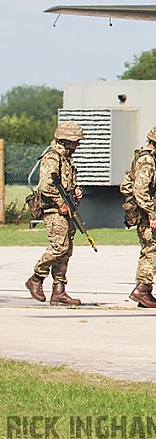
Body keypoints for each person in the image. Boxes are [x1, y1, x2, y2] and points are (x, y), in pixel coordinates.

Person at [26, 121, 86, 306]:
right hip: (54, 210)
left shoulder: (66, 158)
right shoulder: (52, 158)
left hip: (66, 210)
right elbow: (46, 186)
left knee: (66, 251)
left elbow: (65, 182)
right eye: (75, 142)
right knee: (58, 247)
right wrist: (61, 202)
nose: (77, 146)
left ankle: (59, 290)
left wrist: (75, 190)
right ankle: (36, 277)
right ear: (66, 140)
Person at [121, 124, 156, 309]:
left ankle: (145, 291)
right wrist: (151, 213)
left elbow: (127, 184)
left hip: (144, 212)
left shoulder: (141, 157)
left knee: (148, 251)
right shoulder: (147, 161)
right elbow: (140, 189)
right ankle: (142, 288)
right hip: (148, 214)